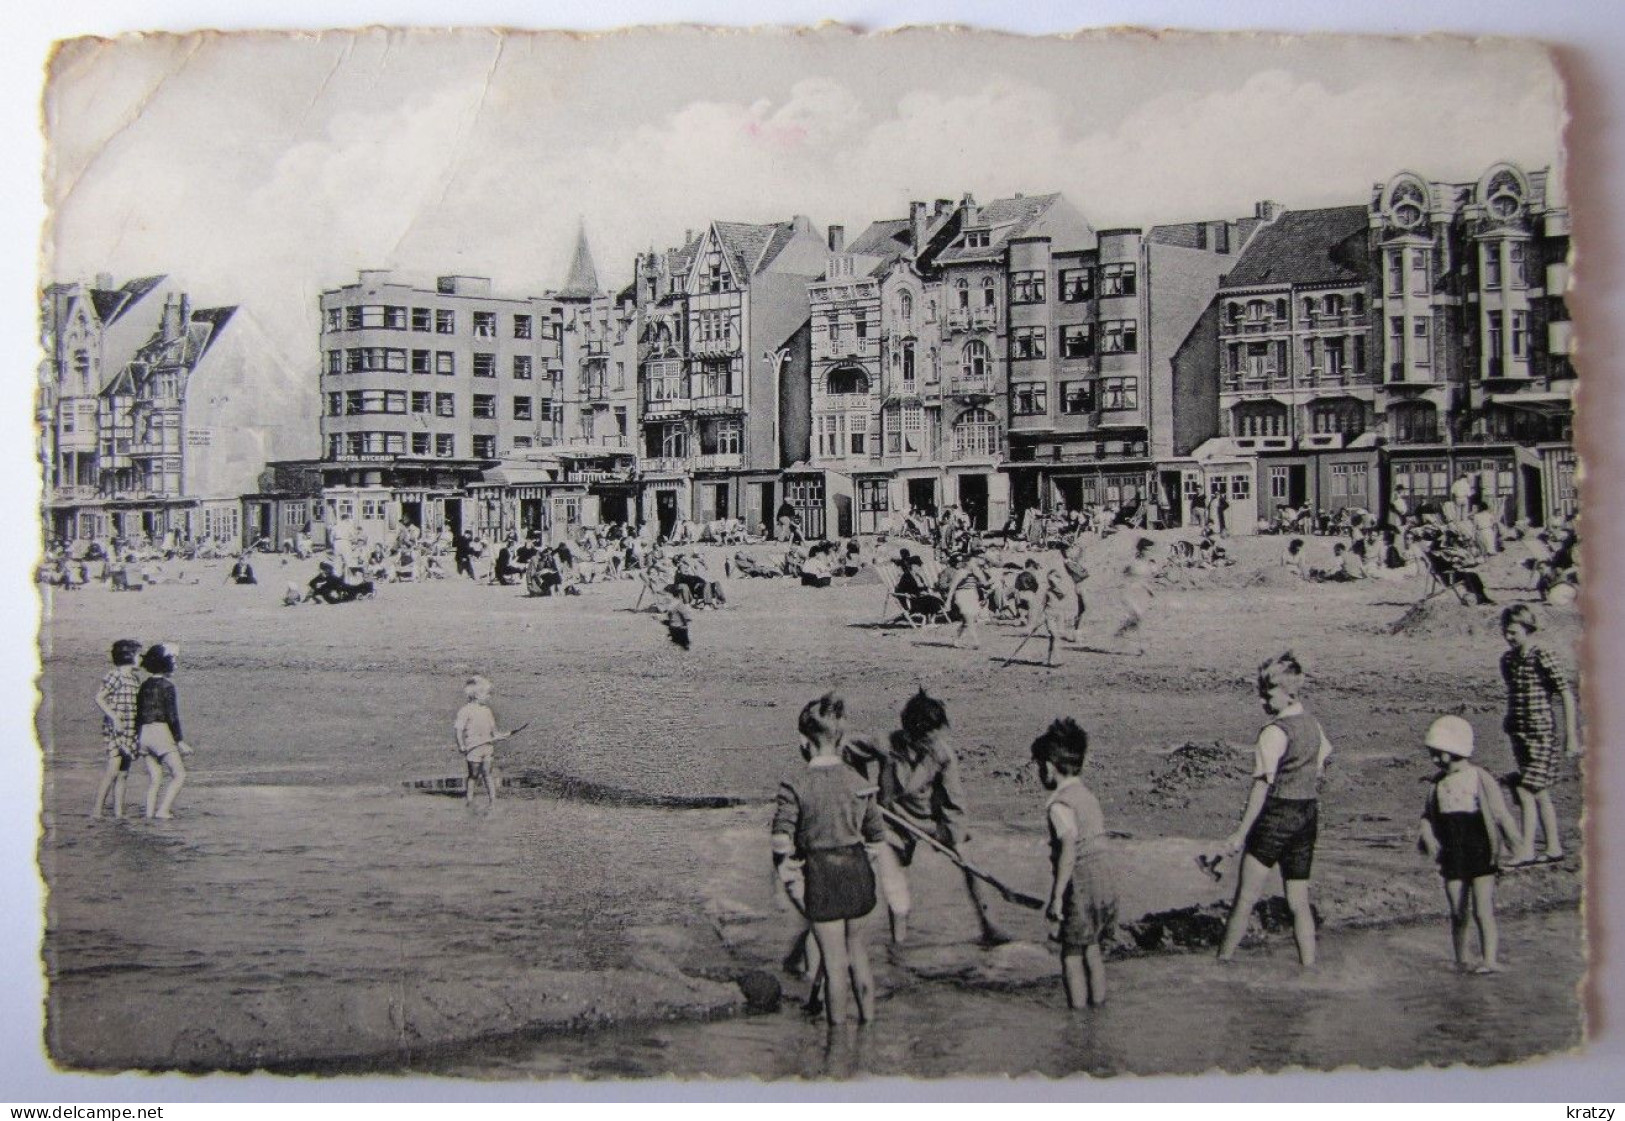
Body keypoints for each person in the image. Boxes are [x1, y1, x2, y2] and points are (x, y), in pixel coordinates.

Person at [848, 690, 1010, 946]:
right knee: (894, 876)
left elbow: (954, 801)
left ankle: (989, 925)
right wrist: (862, 791)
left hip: (932, 820)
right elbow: (848, 748)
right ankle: (898, 944)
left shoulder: (943, 755)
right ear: (913, 735)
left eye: (938, 736)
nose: (936, 743)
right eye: (929, 739)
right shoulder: (886, 744)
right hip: (893, 820)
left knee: (968, 862)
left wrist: (953, 838)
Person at [770, 693, 883, 1025]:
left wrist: (785, 868)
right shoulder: (859, 782)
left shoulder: (796, 782)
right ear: (843, 739)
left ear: (803, 742)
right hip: (858, 869)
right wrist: (868, 860)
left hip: (822, 874)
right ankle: (869, 1030)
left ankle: (837, 1047)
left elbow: (781, 836)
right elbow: (876, 836)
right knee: (859, 957)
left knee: (834, 966)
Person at [1217, 651, 1333, 967]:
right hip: (1307, 816)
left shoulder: (1273, 732)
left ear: (1287, 692)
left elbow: (1261, 787)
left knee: (1245, 899)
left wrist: (1240, 834)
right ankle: (1309, 967)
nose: (1262, 702)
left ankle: (1222, 963)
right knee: (1299, 902)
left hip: (1276, 817)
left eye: (1267, 693)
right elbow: (1323, 764)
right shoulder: (1314, 725)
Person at [1417, 716, 1522, 973]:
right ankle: (1461, 958)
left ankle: (1489, 960)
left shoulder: (1479, 777)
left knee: (1482, 910)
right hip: (1452, 854)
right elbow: (1427, 816)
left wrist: (1515, 844)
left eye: (1438, 754)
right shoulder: (1437, 784)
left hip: (1481, 851)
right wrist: (1427, 836)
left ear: (1454, 750)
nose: (1434, 760)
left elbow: (1499, 812)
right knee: (1456, 911)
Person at [1032, 717, 1116, 1009]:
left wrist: (1056, 898)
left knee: (1070, 954)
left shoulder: (1059, 804)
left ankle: (1078, 1020)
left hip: (1079, 885)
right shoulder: (1087, 795)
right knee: (1091, 948)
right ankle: (1099, 1009)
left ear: (1048, 767)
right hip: (1104, 882)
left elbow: (1068, 848)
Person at [1499, 605, 1581, 865]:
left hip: (1542, 733)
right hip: (1519, 732)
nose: (1509, 637)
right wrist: (1510, 721)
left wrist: (1571, 736)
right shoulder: (1508, 660)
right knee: (1539, 791)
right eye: (1506, 632)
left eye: (1513, 632)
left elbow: (1566, 693)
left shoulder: (1543, 655)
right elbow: (1515, 693)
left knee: (1525, 789)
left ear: (1527, 629)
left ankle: (1526, 850)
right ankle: (1554, 847)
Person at [135, 644, 192, 820]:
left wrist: (136, 738)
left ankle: (149, 815)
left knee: (155, 778)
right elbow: (171, 716)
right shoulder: (168, 686)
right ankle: (163, 810)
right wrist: (180, 741)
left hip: (143, 734)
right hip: (160, 732)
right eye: (173, 660)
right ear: (164, 664)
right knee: (179, 774)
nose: (175, 664)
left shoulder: (144, 685)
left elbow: (139, 713)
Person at [91, 639, 144, 819]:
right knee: (113, 770)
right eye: (139, 655)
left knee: (123, 774)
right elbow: (99, 698)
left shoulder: (135, 679)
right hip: (116, 729)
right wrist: (114, 718)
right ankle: (97, 811)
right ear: (129, 656)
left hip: (130, 730)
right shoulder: (115, 676)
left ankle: (119, 813)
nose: (141, 659)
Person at [454, 675, 501, 807]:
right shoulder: (465, 711)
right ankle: (469, 800)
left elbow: (494, 730)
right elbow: (458, 730)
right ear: (476, 694)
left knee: (487, 773)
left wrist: (497, 735)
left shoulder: (487, 711)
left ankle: (493, 801)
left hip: (487, 747)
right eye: (486, 694)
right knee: (473, 775)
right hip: (473, 748)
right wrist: (461, 745)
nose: (489, 696)